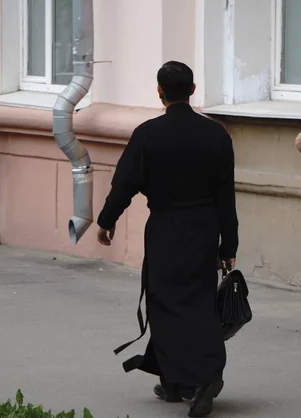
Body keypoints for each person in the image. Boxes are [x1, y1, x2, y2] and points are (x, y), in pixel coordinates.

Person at [96, 61, 238, 417]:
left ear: (159, 92)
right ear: (192, 90)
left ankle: (201, 378)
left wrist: (106, 220)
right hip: (204, 228)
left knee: (164, 301)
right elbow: (226, 196)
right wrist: (228, 246)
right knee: (198, 300)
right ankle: (177, 381)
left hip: (165, 228)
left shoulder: (147, 134)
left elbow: (124, 183)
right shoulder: (216, 135)